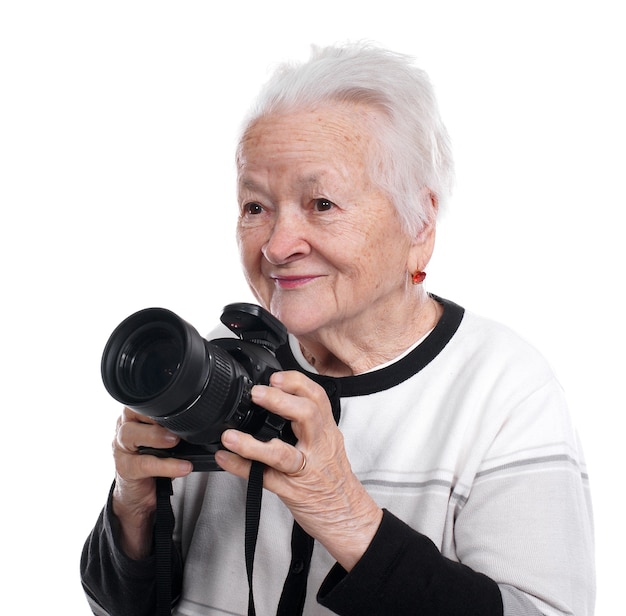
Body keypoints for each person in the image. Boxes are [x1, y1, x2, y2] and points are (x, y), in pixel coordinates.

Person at [81, 42, 595, 615]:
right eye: (255, 207)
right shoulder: (221, 371)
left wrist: (345, 513)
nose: (277, 246)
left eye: (321, 203)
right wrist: (136, 505)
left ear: (419, 222)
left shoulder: (503, 390)